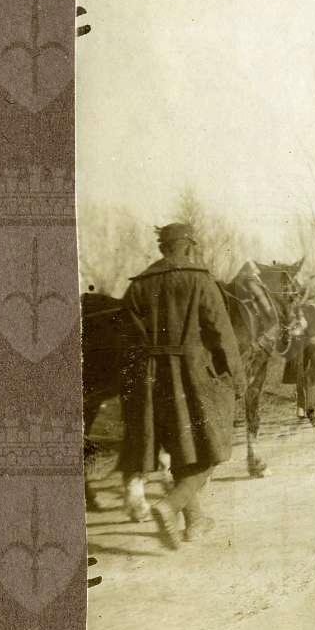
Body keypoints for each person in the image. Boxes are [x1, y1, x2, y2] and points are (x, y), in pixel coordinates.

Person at [120, 222, 243, 549]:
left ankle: (195, 522)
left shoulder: (138, 286)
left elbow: (127, 342)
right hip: (193, 376)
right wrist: (237, 378)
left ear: (163, 248)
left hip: (151, 381)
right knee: (212, 448)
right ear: (188, 247)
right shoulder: (199, 279)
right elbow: (222, 333)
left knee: (180, 450)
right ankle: (170, 505)